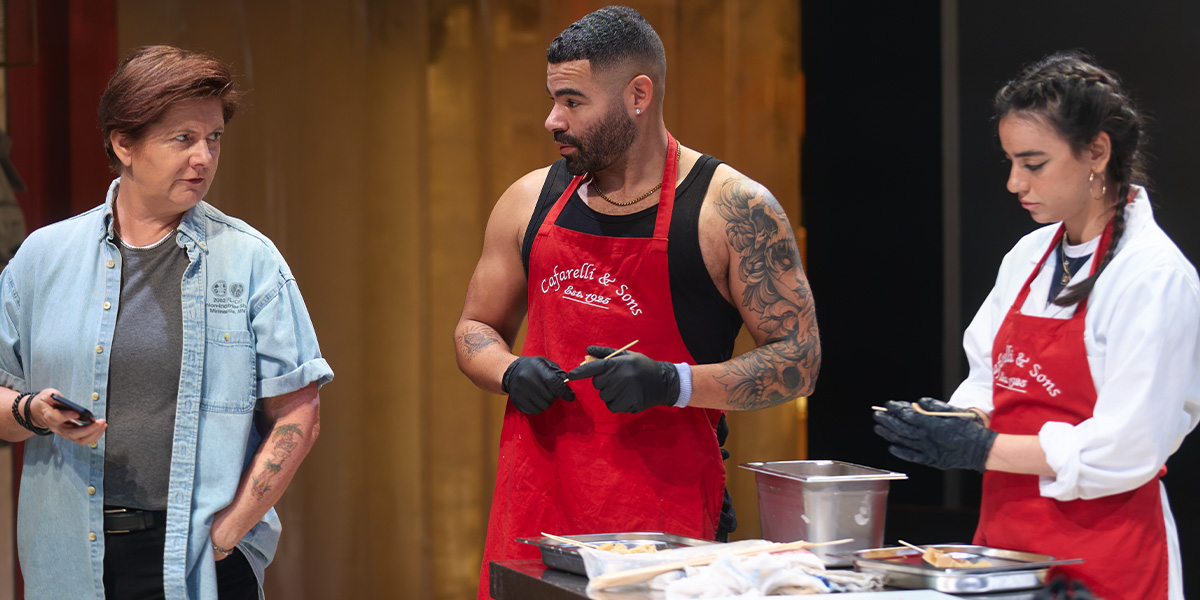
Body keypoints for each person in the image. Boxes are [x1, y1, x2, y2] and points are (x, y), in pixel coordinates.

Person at [453, 6, 819, 598]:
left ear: (638, 95)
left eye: (573, 101)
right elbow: (475, 326)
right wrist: (508, 368)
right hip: (534, 516)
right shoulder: (528, 200)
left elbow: (798, 362)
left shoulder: (731, 210)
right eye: (552, 99)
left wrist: (673, 384)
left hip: (664, 532)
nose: (552, 119)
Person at [0, 45, 333, 599]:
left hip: (200, 558)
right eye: (183, 139)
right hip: (67, 556)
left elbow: (299, 411)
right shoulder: (43, 258)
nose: (203, 157)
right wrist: (32, 411)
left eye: (213, 138)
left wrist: (230, 532)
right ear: (122, 143)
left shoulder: (250, 260)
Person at [873, 51, 1199, 600]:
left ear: (1096, 151)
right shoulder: (1029, 256)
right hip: (1005, 544)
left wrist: (978, 448)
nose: (1012, 182)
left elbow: (1128, 446)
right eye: (1009, 162)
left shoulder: (1154, 276)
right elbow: (992, 376)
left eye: (1033, 163)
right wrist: (952, 420)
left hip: (1107, 553)